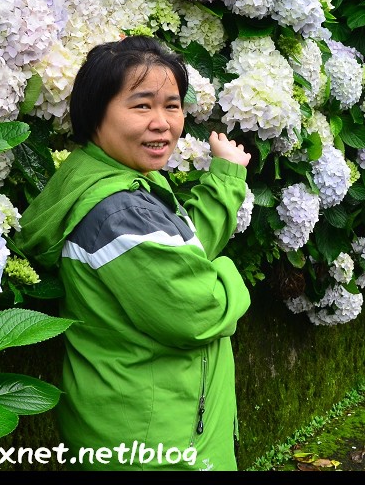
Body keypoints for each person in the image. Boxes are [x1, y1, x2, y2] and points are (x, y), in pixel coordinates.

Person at [14, 35, 252, 471]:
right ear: (95, 113)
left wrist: (225, 181)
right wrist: (226, 272)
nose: (162, 122)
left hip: (150, 421)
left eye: (172, 105)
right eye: (141, 106)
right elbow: (199, 312)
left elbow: (178, 251)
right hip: (158, 439)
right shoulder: (118, 211)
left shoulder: (114, 179)